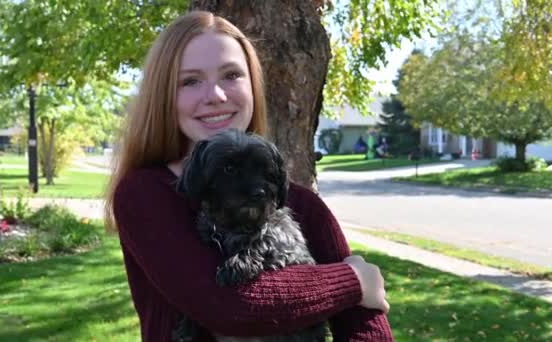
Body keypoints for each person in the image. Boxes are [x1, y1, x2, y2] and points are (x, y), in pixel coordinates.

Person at [105, 11, 392, 341]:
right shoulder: (144, 194)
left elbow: (366, 327)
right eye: (190, 81)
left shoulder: (303, 205)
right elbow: (227, 307)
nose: (216, 95)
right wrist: (354, 282)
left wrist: (351, 292)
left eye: (231, 75)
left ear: (253, 85)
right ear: (163, 95)